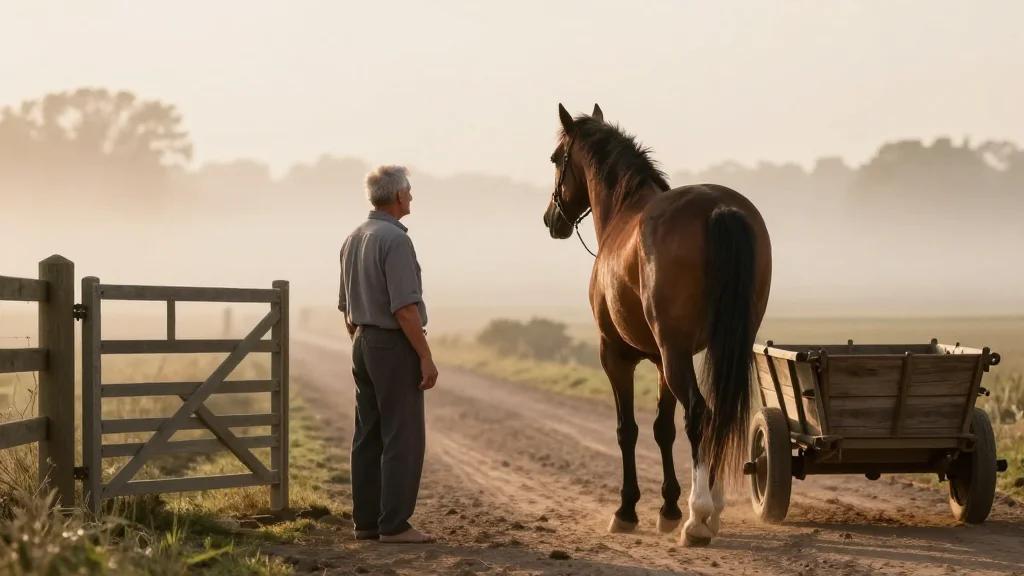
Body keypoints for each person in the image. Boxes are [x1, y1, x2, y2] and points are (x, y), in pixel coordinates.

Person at [338, 165, 439, 544]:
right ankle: (394, 524)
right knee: (403, 435)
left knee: (368, 434)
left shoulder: (353, 238)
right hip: (392, 344)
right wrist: (425, 356)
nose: (411, 196)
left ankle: (366, 522)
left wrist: (361, 341)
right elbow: (405, 309)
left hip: (361, 341)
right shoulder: (395, 241)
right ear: (398, 196)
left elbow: (344, 305)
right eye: (409, 191)